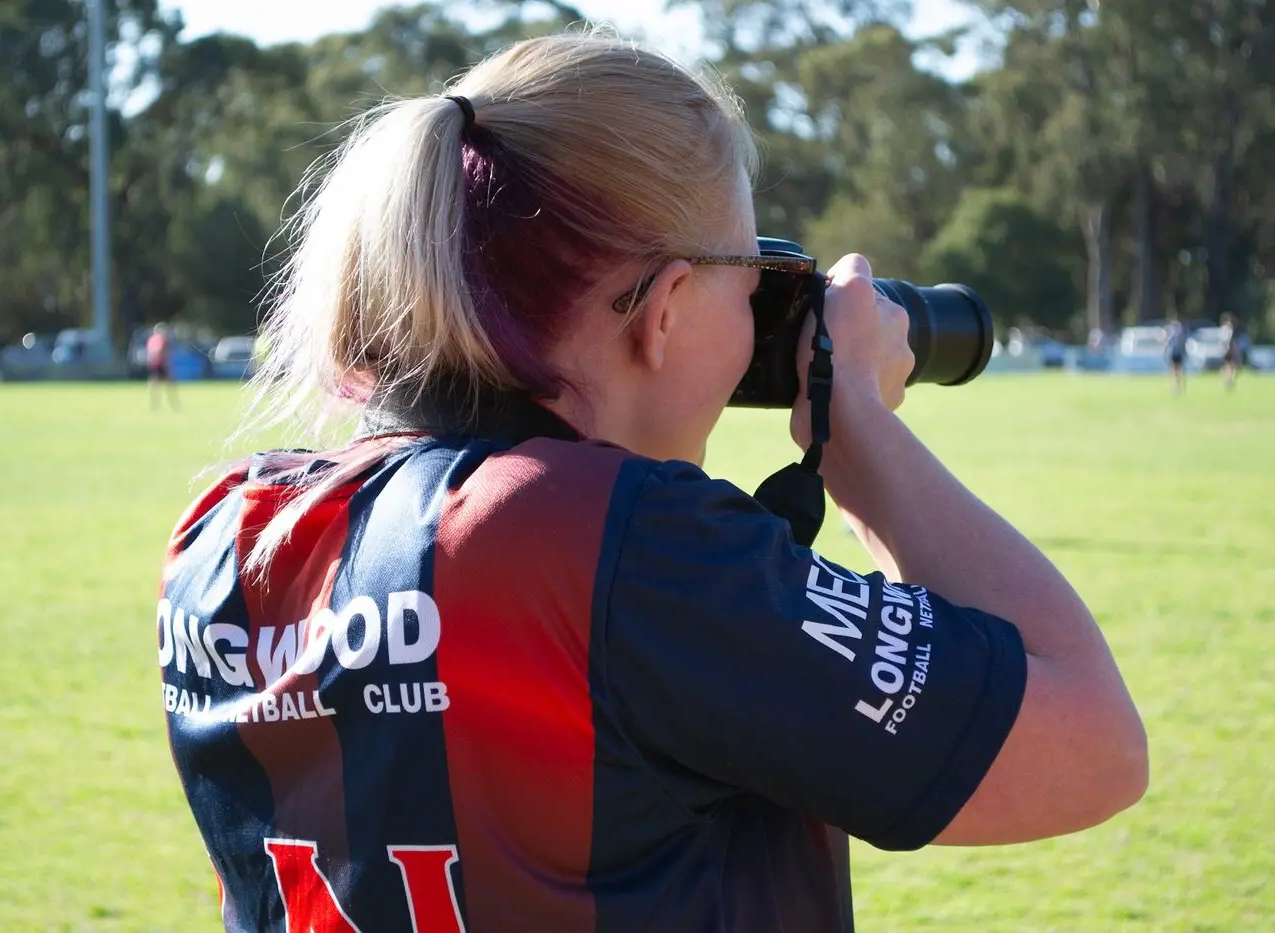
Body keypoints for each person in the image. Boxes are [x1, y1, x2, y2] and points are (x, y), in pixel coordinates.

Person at [156, 33, 1147, 932]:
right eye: (752, 281)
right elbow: (1092, 745)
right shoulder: (612, 543)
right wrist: (859, 434)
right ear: (666, 309)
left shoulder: (229, 536)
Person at [145, 322, 179, 410]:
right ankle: (172, 404)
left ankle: (155, 404)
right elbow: (158, 351)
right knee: (166, 385)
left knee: (157, 385)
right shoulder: (160, 340)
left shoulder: (152, 339)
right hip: (159, 365)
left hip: (155, 365)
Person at [1164, 317, 1187, 395]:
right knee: (1177, 370)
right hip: (1176, 354)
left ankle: (1176, 386)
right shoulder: (1180, 335)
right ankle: (1178, 386)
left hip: (1175, 354)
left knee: (1175, 370)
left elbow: (1167, 344)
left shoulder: (1175, 335)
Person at [1220, 314, 1243, 391]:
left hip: (1228, 348)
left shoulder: (1225, 328)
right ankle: (1229, 379)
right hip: (1230, 348)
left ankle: (1229, 379)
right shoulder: (1229, 328)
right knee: (1231, 365)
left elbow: (1225, 339)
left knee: (1229, 365)